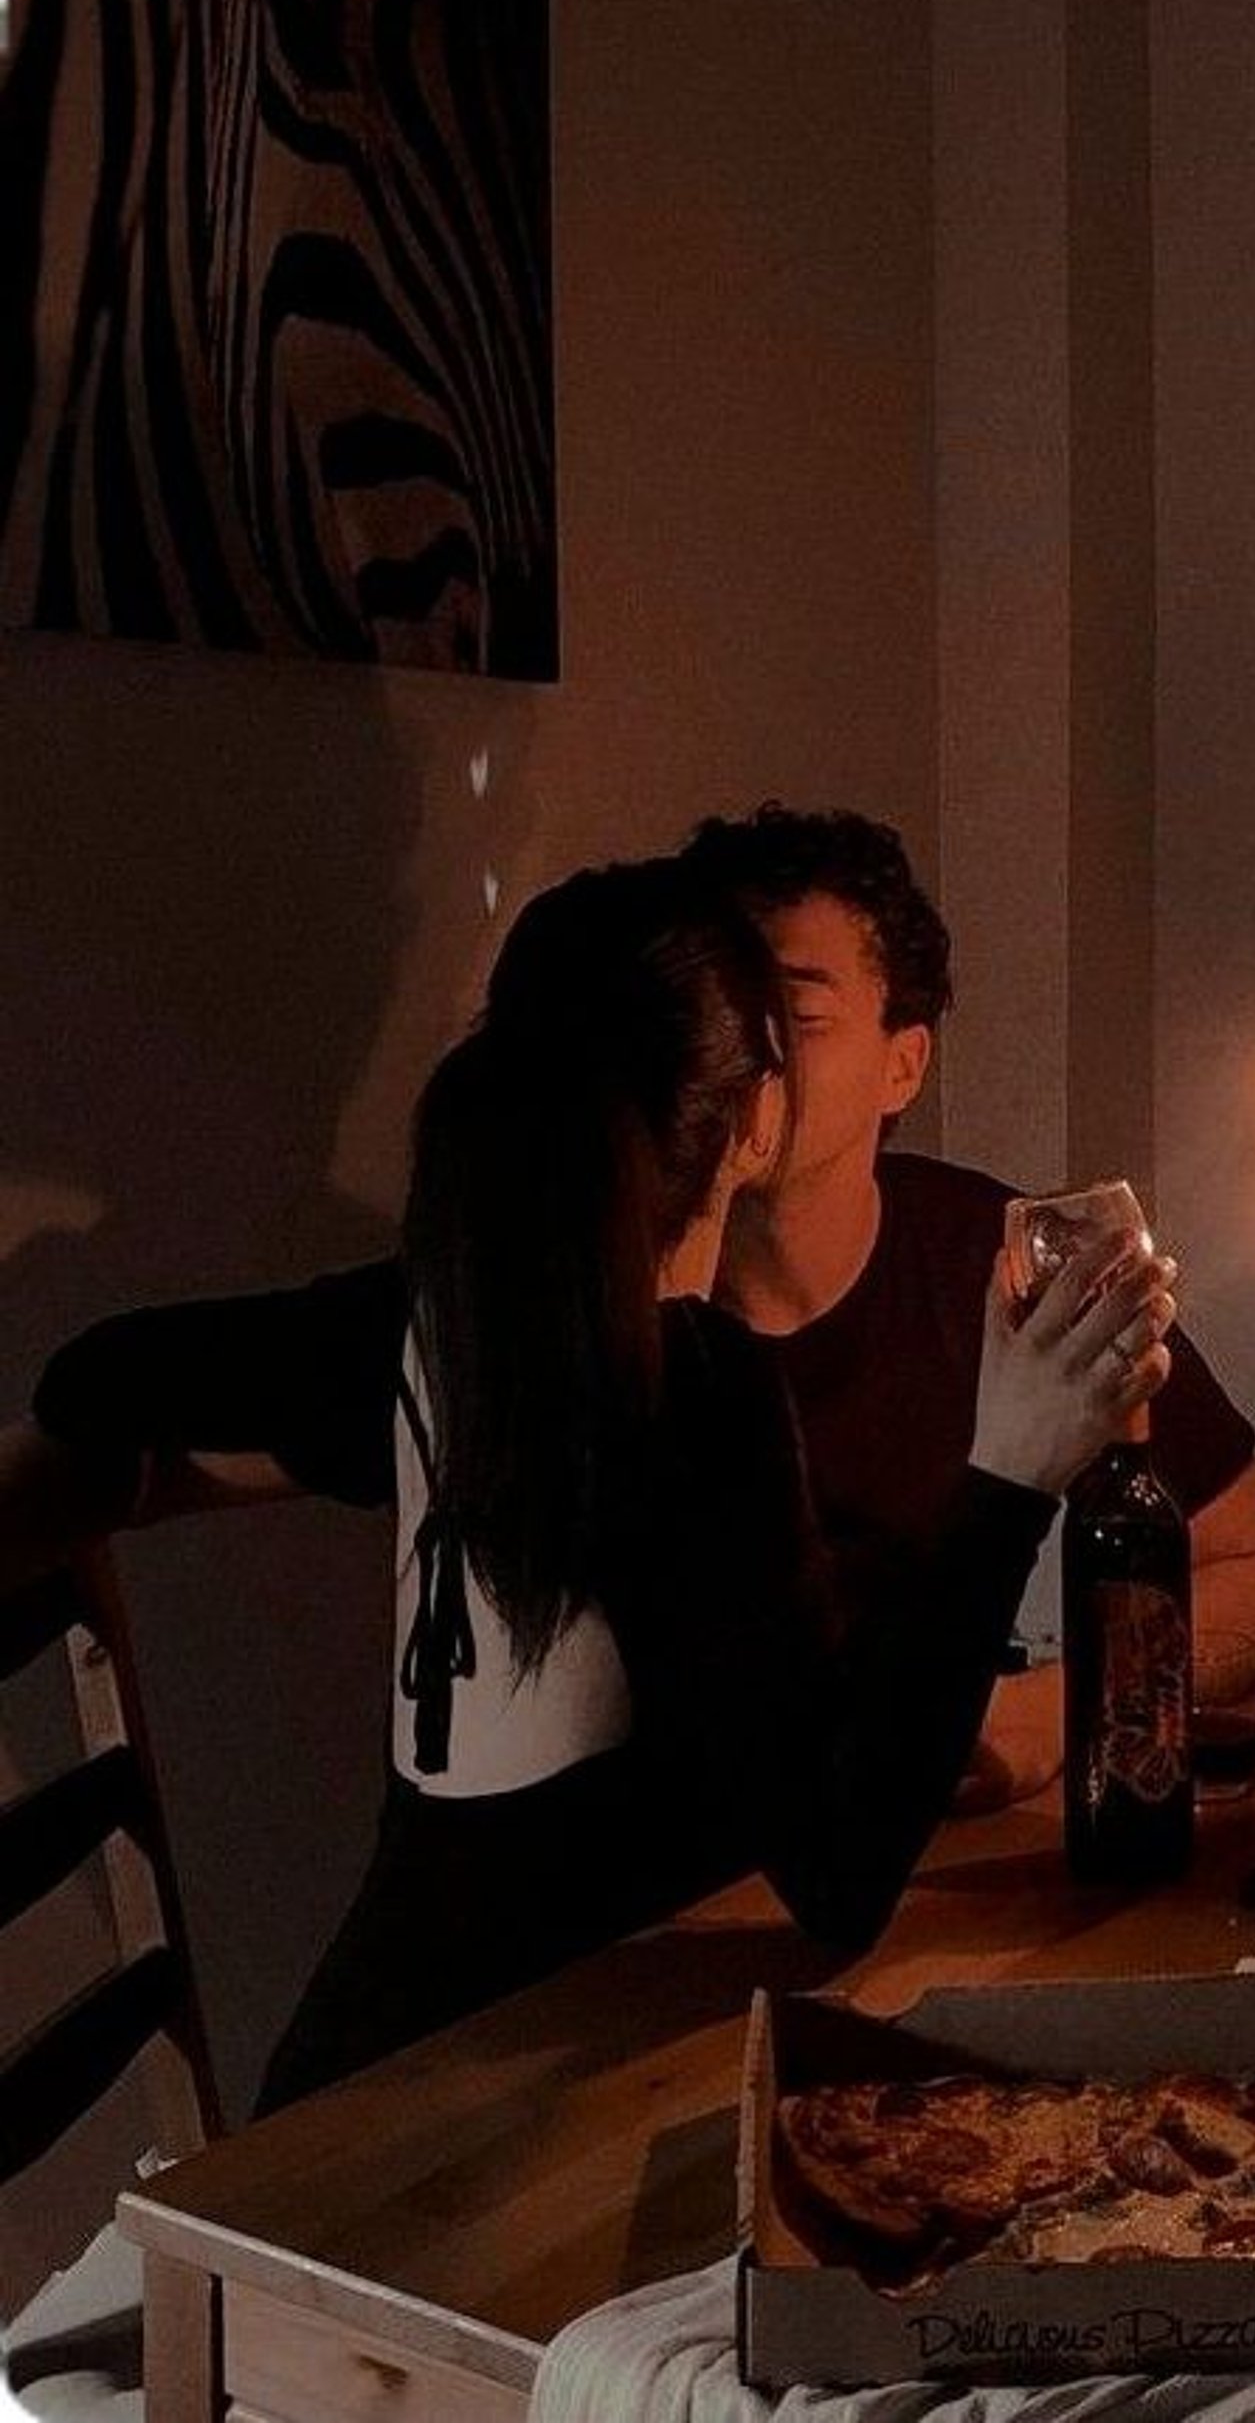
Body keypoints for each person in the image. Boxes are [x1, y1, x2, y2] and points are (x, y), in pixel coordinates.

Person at [0, 861, 1173, 2107]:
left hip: (334, 2085)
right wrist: (1014, 1467)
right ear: (750, 1123)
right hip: (499, 2134)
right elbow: (840, 1878)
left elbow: (92, 1380)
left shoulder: (431, 1320)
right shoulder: (693, 1392)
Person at [678, 805, 1255, 1805]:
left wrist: (1062, 1705)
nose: (749, 1048)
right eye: (718, 1002)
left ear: (902, 1062)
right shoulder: (603, 1287)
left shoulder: (995, 1265)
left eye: (797, 1008)